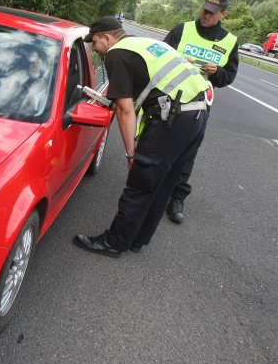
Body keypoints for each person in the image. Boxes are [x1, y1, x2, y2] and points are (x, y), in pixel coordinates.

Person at [73, 17, 209, 257]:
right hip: (197, 115)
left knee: (141, 181)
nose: (94, 49)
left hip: (173, 118)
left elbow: (125, 109)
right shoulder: (145, 45)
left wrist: (130, 153)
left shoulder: (117, 54)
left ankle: (114, 242)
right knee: (164, 183)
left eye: (94, 42)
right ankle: (137, 239)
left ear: (107, 37)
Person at [163, 0, 239, 224]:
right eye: (204, 10)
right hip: (168, 97)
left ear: (223, 14)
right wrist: (177, 59)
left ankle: (177, 197)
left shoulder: (229, 41)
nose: (205, 15)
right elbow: (158, 56)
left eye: (212, 13)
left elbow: (229, 77)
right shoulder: (181, 30)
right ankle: (149, 187)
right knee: (157, 143)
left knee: (188, 152)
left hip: (199, 104)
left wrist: (217, 72)